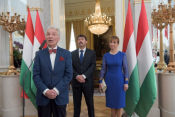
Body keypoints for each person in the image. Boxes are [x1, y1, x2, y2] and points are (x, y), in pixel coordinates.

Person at [33, 26, 73, 117]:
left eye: (53, 34)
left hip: (60, 96)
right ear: (45, 37)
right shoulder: (39, 54)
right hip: (43, 97)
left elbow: (68, 75)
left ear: (58, 38)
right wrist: (46, 91)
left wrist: (56, 90)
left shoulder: (66, 54)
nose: (50, 36)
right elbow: (36, 76)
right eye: (48, 34)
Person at [99, 36, 129, 117]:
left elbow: (126, 69)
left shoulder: (122, 55)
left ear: (118, 44)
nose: (112, 44)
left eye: (114, 42)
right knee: (112, 105)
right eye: (111, 42)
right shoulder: (106, 56)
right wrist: (100, 81)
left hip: (120, 82)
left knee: (119, 105)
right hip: (109, 82)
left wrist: (126, 82)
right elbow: (103, 69)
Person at [71, 34, 96, 117]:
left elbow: (93, 66)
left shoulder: (92, 53)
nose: (80, 41)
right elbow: (70, 67)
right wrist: (77, 76)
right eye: (78, 39)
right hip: (76, 82)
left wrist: (84, 76)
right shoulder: (72, 53)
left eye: (82, 39)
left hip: (88, 83)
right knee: (76, 105)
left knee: (90, 104)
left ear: (86, 41)